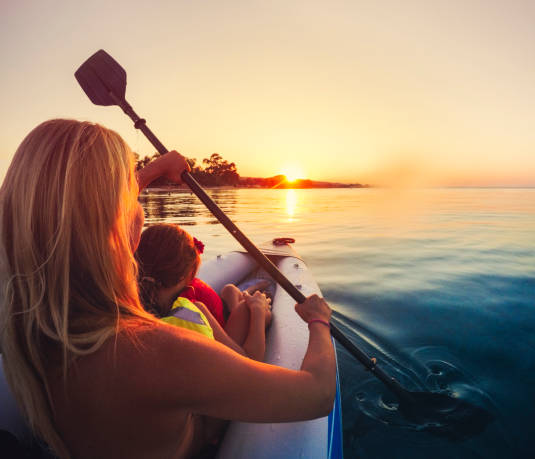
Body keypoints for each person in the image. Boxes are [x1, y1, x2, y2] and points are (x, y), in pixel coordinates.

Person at [0, 119, 335, 459]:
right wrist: (318, 321)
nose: (138, 203)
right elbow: (317, 394)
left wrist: (157, 169)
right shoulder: (155, 352)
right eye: (128, 195)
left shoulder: (25, 320)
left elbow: (73, 215)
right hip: (200, 436)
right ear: (114, 224)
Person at [135, 223, 272, 361]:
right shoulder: (191, 316)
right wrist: (258, 313)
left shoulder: (126, 311)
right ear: (184, 277)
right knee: (245, 308)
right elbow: (248, 362)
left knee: (231, 292)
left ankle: (248, 293)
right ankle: (253, 297)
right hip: (224, 368)